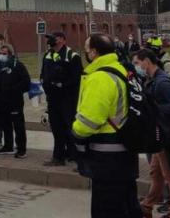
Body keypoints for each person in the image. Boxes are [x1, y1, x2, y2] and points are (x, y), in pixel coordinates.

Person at [72, 34, 140, 218]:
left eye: (86, 50)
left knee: (106, 208)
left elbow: (89, 122)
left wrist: (75, 130)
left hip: (107, 156)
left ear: (94, 52)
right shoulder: (121, 69)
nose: (85, 53)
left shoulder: (100, 77)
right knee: (128, 204)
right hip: (126, 148)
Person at [134, 49, 170, 218]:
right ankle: (147, 206)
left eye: (137, 63)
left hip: (167, 135)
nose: (136, 67)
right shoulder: (152, 80)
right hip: (160, 134)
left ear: (147, 62)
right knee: (156, 173)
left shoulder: (162, 82)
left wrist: (155, 110)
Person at [40, 32, 82, 166]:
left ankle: (75, 155)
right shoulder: (47, 55)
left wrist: (62, 84)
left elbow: (77, 79)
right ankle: (58, 157)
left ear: (64, 40)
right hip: (52, 98)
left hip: (68, 98)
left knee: (70, 127)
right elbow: (43, 73)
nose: (54, 41)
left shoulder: (72, 56)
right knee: (56, 127)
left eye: (57, 38)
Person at [0, 43, 30, 158]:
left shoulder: (17, 65)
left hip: (14, 101)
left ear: (10, 54)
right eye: (0, 53)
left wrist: (13, 90)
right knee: (5, 124)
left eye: (4, 53)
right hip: (1, 100)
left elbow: (26, 82)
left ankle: (22, 149)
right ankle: (8, 146)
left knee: (18, 125)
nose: (2, 55)